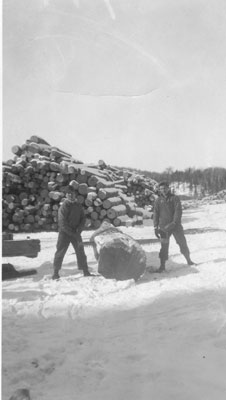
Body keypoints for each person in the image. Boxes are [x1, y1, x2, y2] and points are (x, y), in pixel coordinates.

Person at [52, 181, 92, 280]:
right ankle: (55, 273)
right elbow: (62, 223)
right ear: (66, 195)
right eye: (68, 194)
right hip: (64, 233)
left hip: (76, 232)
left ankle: (85, 271)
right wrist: (72, 233)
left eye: (72, 193)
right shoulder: (64, 206)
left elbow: (83, 218)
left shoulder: (78, 205)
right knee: (60, 252)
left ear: (75, 194)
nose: (71, 195)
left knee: (80, 251)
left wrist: (79, 229)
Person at [153, 181, 195, 272]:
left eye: (164, 188)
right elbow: (155, 213)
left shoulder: (175, 198)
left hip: (176, 226)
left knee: (182, 243)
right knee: (164, 246)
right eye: (161, 189)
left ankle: (189, 260)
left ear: (168, 188)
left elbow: (178, 211)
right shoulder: (158, 200)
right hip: (163, 227)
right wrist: (155, 227)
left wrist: (174, 223)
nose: (163, 190)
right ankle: (162, 266)